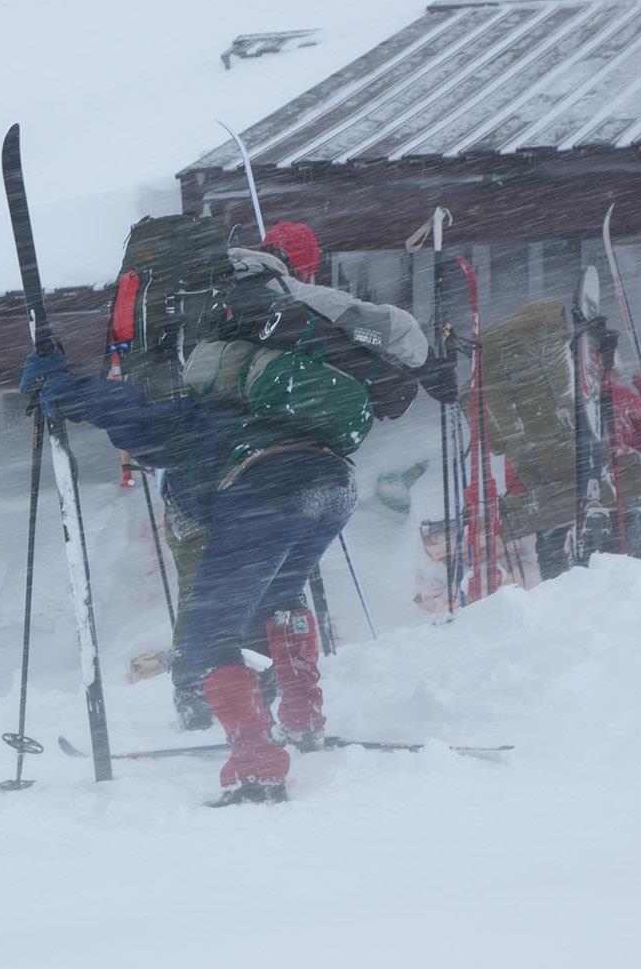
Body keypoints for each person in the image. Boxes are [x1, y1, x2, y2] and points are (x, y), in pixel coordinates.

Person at [28, 227, 441, 805]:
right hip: (331, 485)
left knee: (208, 634)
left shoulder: (201, 418)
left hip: (265, 487)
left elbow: (137, 419)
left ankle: (255, 761)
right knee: (282, 598)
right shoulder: (270, 401)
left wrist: (66, 392)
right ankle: (303, 717)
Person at [477, 300, 641, 580]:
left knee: (566, 605)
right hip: (616, 516)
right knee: (633, 596)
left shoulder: (521, 413)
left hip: (552, 526)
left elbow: (504, 460)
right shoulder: (611, 398)